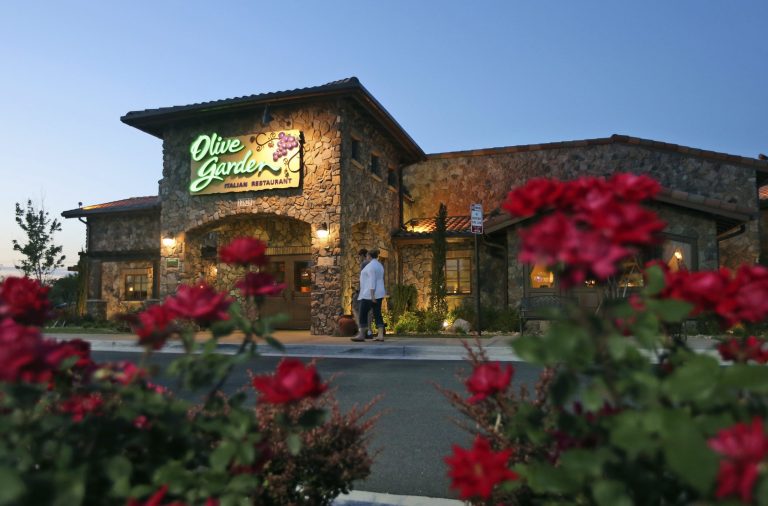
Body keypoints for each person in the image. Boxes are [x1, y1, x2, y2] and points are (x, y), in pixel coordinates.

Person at [352, 249, 386, 342]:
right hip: (379, 293)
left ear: (369, 256)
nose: (366, 257)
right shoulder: (380, 265)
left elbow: (372, 280)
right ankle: (380, 335)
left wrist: (372, 295)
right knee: (377, 313)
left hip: (369, 294)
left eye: (367, 256)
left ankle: (362, 334)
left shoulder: (371, 266)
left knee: (362, 313)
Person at [350, 248, 372, 339]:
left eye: (359, 257)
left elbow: (363, 279)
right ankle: (369, 331)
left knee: (357, 309)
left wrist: (358, 290)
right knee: (369, 312)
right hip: (371, 291)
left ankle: (362, 331)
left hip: (364, 292)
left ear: (362, 256)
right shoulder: (373, 264)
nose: (358, 259)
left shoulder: (364, 264)